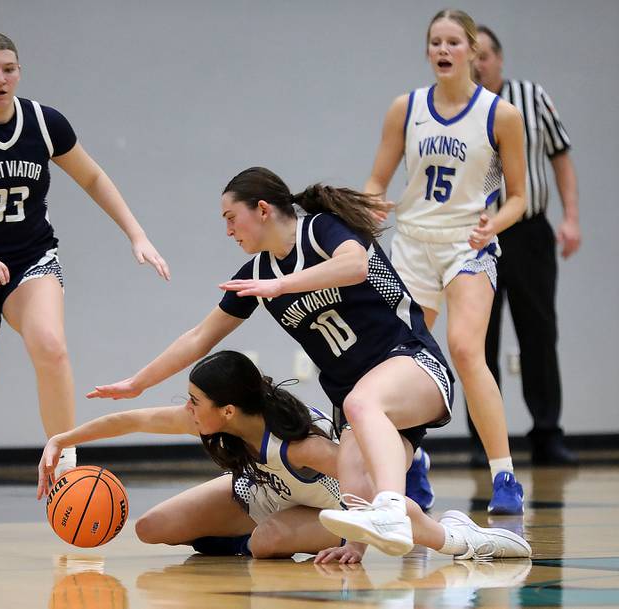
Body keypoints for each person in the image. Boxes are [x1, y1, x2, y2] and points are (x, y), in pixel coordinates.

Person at [89, 165, 458, 558]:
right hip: (359, 402)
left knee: (362, 405)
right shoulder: (258, 275)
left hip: (414, 362)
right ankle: (462, 539)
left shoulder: (319, 230)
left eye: (231, 218)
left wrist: (282, 285)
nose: (228, 230)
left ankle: (392, 509)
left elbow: (356, 265)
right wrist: (139, 382)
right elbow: (198, 337)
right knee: (356, 487)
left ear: (262, 209)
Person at [0, 32, 170, 533]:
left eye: (8, 68)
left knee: (51, 346)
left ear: (19, 71)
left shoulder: (44, 123)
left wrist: (136, 234)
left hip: (31, 260)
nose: (0, 78)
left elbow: (93, 178)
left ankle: (66, 464)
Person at [38, 350, 531, 562]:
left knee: (265, 543)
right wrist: (63, 439)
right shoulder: (218, 421)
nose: (187, 409)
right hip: (266, 491)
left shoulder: (302, 446)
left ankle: (459, 535)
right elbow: (130, 421)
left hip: (335, 504)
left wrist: (356, 546)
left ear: (227, 410)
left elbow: (361, 474)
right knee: (152, 528)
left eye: (195, 401)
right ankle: (252, 538)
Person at [363, 9, 527, 515]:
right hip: (412, 244)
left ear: (473, 51)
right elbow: (377, 181)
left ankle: (504, 476)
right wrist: (372, 206)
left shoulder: (501, 115)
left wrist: (493, 224)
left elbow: (518, 196)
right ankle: (414, 462)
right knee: (404, 362)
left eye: (454, 42)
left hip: (467, 244)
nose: (443, 50)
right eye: (436, 42)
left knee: (463, 349)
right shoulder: (405, 108)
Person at [472, 25, 580, 466]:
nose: (476, 63)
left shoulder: (531, 97)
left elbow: (561, 157)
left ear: (499, 59)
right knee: (477, 341)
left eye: (484, 55)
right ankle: (485, 445)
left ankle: (547, 434)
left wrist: (571, 217)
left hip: (529, 230)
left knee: (539, 334)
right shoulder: (457, 108)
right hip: (476, 234)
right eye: (469, 54)